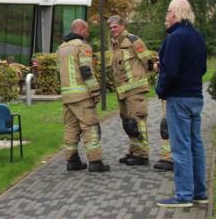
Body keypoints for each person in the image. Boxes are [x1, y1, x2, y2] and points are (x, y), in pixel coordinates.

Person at [155, 0, 208, 208]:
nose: (166, 16)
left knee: (180, 147)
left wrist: (160, 89)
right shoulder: (197, 36)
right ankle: (199, 192)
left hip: (179, 98)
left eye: (168, 11)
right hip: (196, 96)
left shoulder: (175, 38)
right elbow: (202, 68)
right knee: (196, 145)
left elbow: (172, 71)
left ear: (175, 13)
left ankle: (184, 195)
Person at [108, 15, 172, 170]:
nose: (112, 29)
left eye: (115, 26)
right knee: (128, 123)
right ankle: (134, 151)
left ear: (123, 26)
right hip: (123, 92)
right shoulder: (115, 44)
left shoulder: (133, 40)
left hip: (135, 89)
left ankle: (142, 154)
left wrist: (146, 77)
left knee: (137, 121)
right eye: (110, 27)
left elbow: (147, 61)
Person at [56, 19, 110, 173]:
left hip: (67, 96)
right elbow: (86, 71)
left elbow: (59, 72)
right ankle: (95, 162)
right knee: (90, 127)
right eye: (86, 30)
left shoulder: (61, 48)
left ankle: (72, 161)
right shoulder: (82, 46)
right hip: (82, 96)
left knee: (71, 127)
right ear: (81, 29)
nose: (88, 33)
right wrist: (95, 91)